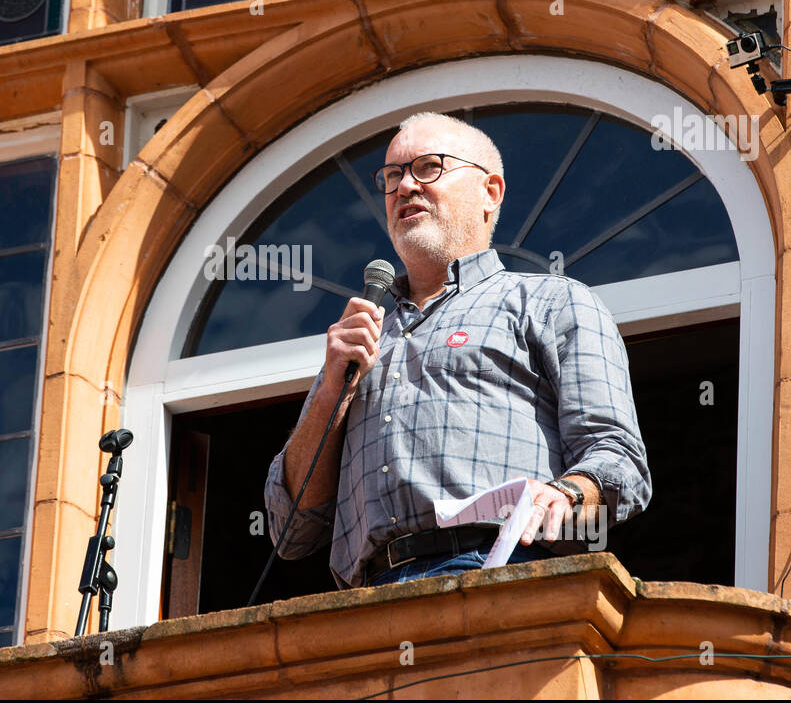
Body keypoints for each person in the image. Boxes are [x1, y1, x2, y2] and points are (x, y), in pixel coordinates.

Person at [263, 111, 652, 588]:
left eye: (428, 167)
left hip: (503, 572)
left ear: (490, 192)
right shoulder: (361, 335)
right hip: (366, 607)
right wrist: (330, 391)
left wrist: (567, 494)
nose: (404, 187)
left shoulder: (551, 302)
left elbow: (620, 461)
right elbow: (290, 530)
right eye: (392, 176)